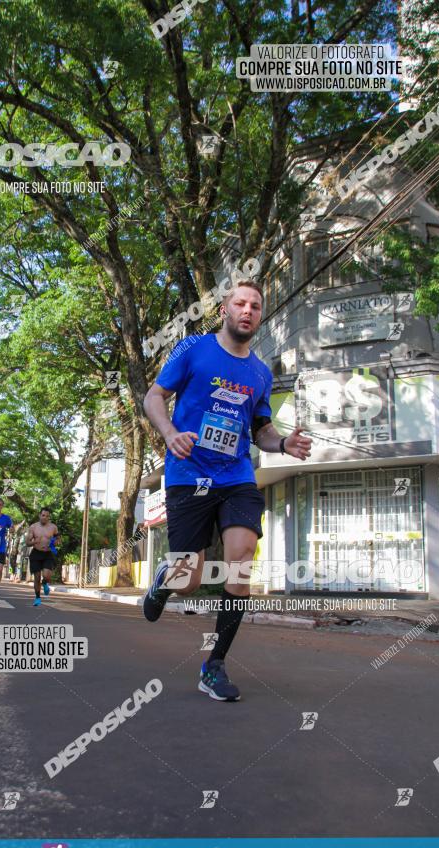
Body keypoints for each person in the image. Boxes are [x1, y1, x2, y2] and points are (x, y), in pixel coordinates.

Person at [142, 279, 312, 702]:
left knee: (240, 563)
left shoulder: (259, 371)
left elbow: (261, 429)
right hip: (188, 473)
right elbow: (154, 395)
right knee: (189, 579)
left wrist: (284, 444)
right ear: (224, 309)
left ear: (260, 314)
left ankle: (213, 664)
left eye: (255, 304)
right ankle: (165, 578)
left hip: (235, 476)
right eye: (240, 302)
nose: (248, 310)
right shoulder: (193, 350)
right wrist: (168, 431)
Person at [26, 508, 58, 606]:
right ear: (40, 515)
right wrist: (34, 542)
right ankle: (37, 597)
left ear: (49, 517)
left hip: (48, 553)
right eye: (43, 515)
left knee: (47, 575)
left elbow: (57, 539)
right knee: (37, 577)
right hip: (36, 553)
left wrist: (55, 543)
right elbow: (27, 542)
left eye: (47, 516)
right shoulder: (33, 527)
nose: (45, 517)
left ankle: (45, 583)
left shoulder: (53, 527)